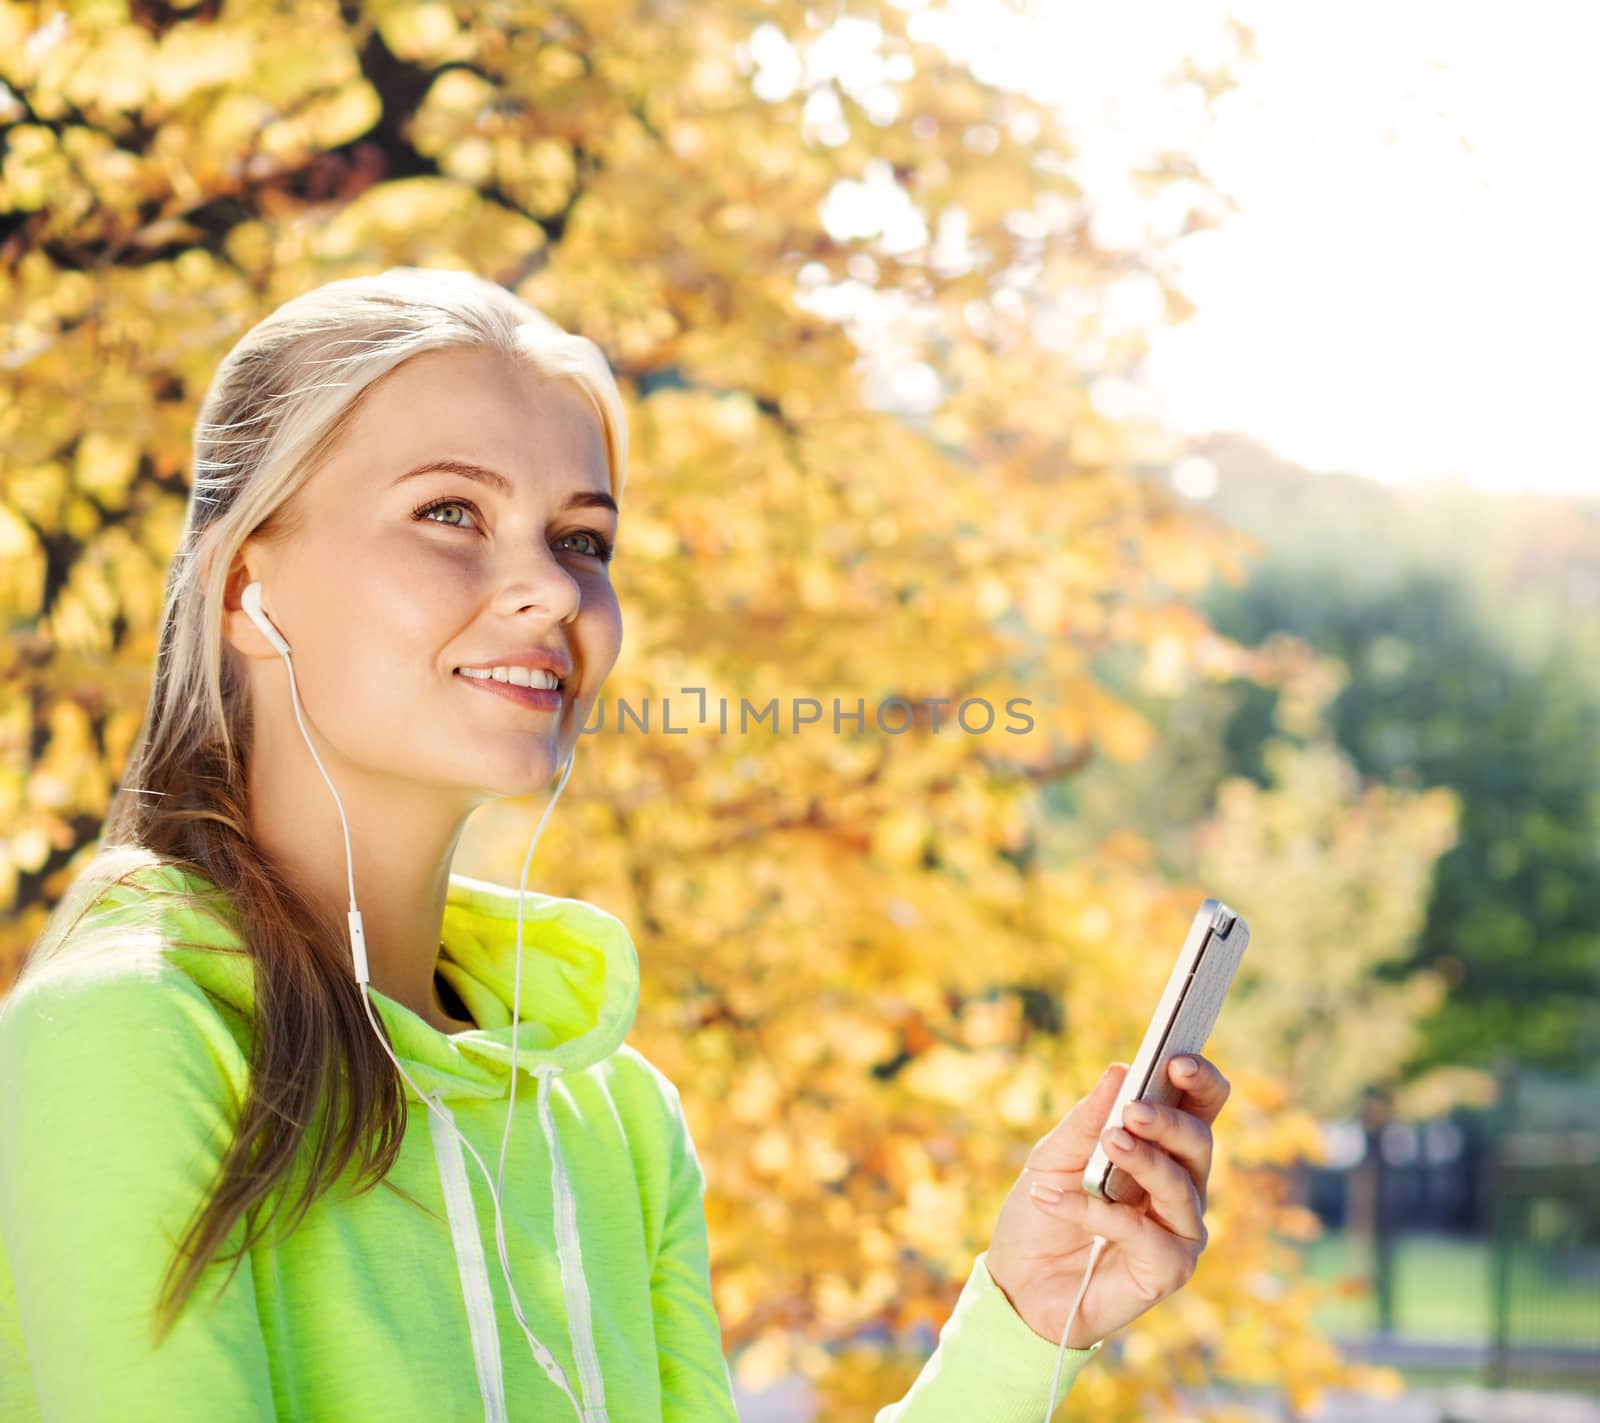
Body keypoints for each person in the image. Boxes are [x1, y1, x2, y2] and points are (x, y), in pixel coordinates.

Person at [0, 267, 1231, 1422]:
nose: (547, 586)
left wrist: (1024, 1316)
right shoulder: (132, 1034)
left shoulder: (611, 1114)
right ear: (241, 588)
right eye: (449, 511)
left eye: (582, 539)